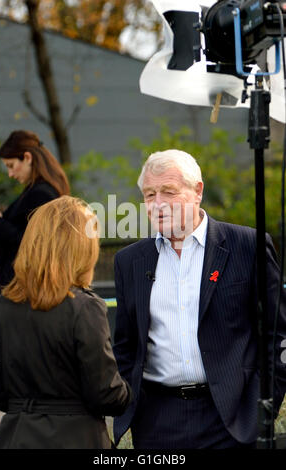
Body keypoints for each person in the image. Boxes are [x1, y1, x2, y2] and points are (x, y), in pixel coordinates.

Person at [113, 149, 286, 449]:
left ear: (197, 192)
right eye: (149, 194)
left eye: (169, 192)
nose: (158, 204)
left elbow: (278, 335)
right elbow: (125, 346)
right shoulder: (130, 261)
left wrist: (262, 406)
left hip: (232, 419)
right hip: (156, 421)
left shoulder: (247, 246)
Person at [0, 195, 131, 449]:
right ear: (82, 247)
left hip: (14, 436)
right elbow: (106, 395)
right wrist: (130, 389)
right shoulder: (86, 307)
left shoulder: (0, 307)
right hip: (76, 437)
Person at [0, 130, 70, 297]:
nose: (10, 174)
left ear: (27, 158)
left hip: (20, 292)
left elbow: (30, 240)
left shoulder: (41, 194)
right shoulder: (39, 191)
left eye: (11, 165)